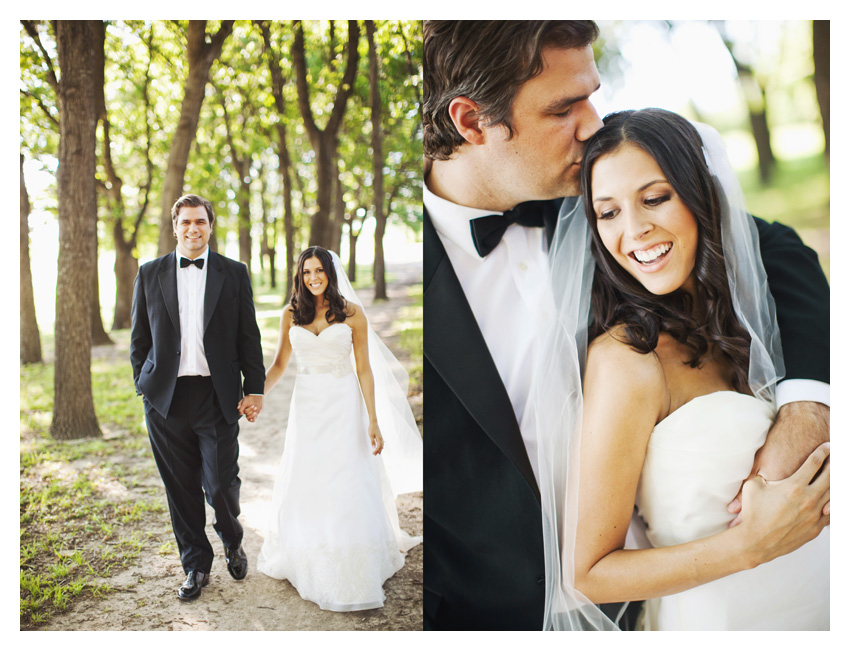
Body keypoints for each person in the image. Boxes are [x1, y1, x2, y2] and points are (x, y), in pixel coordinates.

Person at [422, 20, 830, 631]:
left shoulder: (603, 194)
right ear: (472, 121)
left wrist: (808, 403)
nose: (593, 124)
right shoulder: (408, 280)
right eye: (565, 107)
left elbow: (762, 246)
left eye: (592, 93)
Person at [534, 109, 829, 630]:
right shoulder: (628, 361)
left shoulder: (759, 317)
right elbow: (587, 572)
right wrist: (747, 546)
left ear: (700, 194)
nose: (634, 230)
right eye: (607, 213)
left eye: (654, 198)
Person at [256, 247, 422, 612]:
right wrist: (254, 395)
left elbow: (364, 369)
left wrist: (373, 419)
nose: (313, 277)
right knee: (309, 473)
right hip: (308, 405)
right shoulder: (291, 314)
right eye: (306, 272)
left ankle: (351, 552)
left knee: (346, 474)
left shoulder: (351, 314)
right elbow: (281, 363)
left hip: (344, 403)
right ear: (299, 276)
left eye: (319, 271)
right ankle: (310, 547)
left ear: (330, 272)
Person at [130, 194, 266, 600]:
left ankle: (231, 537)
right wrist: (145, 386)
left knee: (220, 483)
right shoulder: (149, 273)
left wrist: (253, 388)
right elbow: (139, 340)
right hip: (166, 400)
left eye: (200, 222)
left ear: (210, 226)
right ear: (175, 226)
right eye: (186, 222)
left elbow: (248, 336)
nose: (193, 229)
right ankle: (195, 566)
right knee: (181, 488)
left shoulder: (234, 273)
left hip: (216, 395)